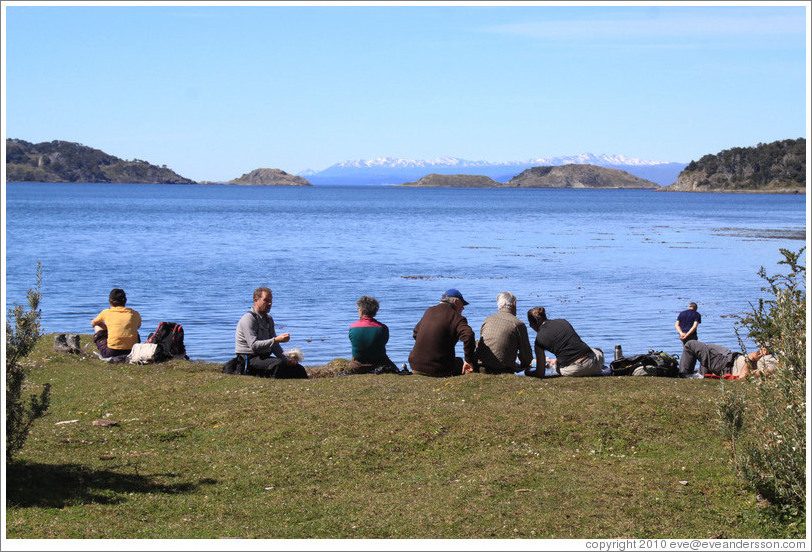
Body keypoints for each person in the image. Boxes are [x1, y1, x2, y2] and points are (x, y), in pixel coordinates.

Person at [234, 286, 308, 379]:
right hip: (249, 359)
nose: (269, 304)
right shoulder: (249, 319)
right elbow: (254, 345)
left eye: (271, 301)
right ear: (256, 300)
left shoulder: (268, 319)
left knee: (298, 368)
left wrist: (286, 359)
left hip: (264, 357)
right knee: (278, 364)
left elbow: (274, 346)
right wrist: (276, 340)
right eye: (266, 300)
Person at [408, 289, 476, 377]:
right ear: (455, 302)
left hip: (415, 365)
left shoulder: (429, 311)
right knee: (459, 362)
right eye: (462, 304)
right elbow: (468, 335)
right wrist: (468, 360)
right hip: (438, 368)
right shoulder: (457, 317)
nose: (463, 308)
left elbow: (416, 332)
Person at [527, 307, 604, 377]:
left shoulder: (539, 340)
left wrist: (528, 372)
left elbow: (540, 373)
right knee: (597, 350)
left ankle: (554, 362)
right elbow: (571, 347)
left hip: (575, 370)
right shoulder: (563, 321)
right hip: (594, 363)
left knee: (557, 366)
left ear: (532, 323)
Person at [475, 291, 533, 374]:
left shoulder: (487, 320)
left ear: (499, 306)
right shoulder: (518, 324)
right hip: (502, 369)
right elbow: (526, 355)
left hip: (481, 366)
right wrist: (524, 364)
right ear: (514, 304)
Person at [347, 295, 400, 374]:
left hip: (357, 366)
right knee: (396, 369)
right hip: (379, 364)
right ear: (375, 312)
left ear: (361, 311)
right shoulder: (383, 328)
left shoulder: (353, 327)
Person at [678, 340, 776, 379]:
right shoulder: (775, 358)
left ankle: (683, 376)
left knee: (691, 345)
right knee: (711, 347)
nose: (762, 349)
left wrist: (749, 359)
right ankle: (700, 375)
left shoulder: (772, 367)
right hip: (732, 356)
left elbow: (743, 377)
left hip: (727, 365)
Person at [90, 288, 142, 358]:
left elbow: (93, 323)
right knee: (133, 330)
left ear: (110, 302)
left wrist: (104, 326)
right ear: (125, 301)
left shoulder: (106, 312)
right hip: (132, 351)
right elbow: (138, 326)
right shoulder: (135, 313)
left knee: (97, 325)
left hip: (112, 352)